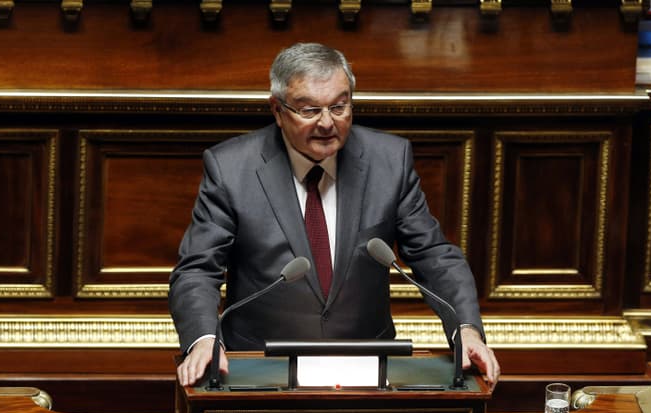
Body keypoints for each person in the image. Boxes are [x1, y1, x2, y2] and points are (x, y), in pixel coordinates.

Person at [170, 42, 500, 387]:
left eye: (339, 107)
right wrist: (204, 338)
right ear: (277, 110)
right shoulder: (231, 168)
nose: (327, 123)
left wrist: (466, 329)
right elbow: (197, 269)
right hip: (261, 367)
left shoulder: (389, 160)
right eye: (309, 110)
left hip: (368, 366)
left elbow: (434, 255)